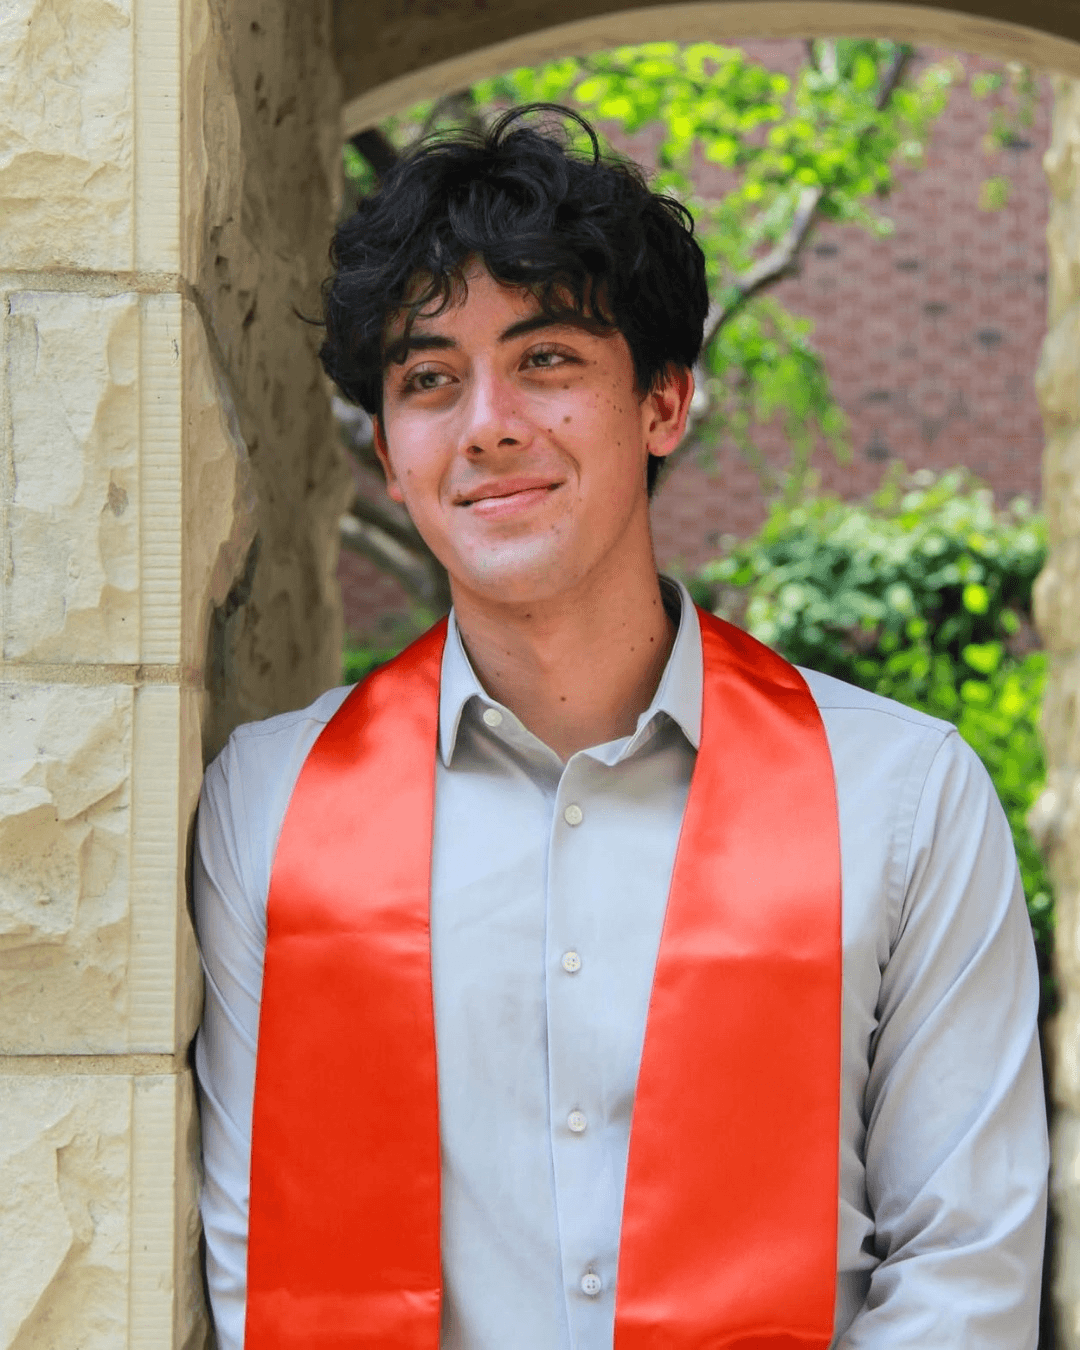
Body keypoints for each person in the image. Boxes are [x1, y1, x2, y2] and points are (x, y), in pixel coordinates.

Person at [192, 105, 1049, 1349]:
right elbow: (252, 1255)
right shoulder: (267, 805)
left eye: (545, 360)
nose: (486, 421)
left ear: (664, 402)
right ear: (388, 452)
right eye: (430, 377)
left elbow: (963, 1265)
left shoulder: (906, 798)